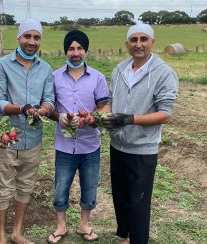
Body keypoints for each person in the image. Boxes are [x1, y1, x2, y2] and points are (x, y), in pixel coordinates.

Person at [102, 24, 179, 244]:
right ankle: (125, 236)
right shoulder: (119, 70)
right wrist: (98, 117)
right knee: (121, 196)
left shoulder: (163, 73)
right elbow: (109, 102)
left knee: (139, 201)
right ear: (127, 44)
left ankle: (138, 240)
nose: (138, 44)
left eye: (143, 39)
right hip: (117, 145)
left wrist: (129, 119)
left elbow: (165, 114)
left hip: (142, 149)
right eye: (133, 40)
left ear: (152, 42)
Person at [0, 19, 55, 244]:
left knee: (25, 187)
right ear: (18, 38)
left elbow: (49, 99)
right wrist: (21, 108)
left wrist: (45, 109)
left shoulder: (45, 68)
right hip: (6, 140)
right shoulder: (1, 65)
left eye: (36, 37)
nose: (31, 41)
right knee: (3, 189)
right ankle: (1, 236)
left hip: (33, 140)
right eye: (27, 36)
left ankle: (17, 233)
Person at [47, 30, 110, 243]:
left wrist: (91, 118)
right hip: (64, 145)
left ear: (85, 50)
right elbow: (49, 108)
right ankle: (61, 226)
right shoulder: (54, 77)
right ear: (65, 52)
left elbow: (104, 106)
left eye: (79, 48)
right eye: (71, 49)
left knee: (90, 185)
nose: (76, 53)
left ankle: (84, 224)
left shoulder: (97, 77)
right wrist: (60, 116)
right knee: (61, 186)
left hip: (90, 143)